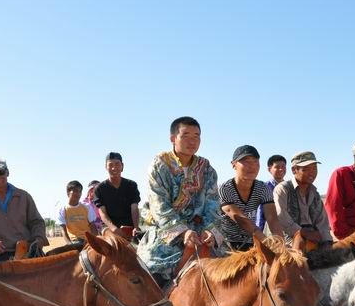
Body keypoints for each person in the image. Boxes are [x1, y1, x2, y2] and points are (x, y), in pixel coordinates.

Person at [137, 116, 221, 287]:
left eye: (196, 136)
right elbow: (159, 205)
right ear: (173, 138)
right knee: (151, 273)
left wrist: (210, 230)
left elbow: (212, 204)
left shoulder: (207, 169)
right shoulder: (159, 164)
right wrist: (183, 232)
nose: (192, 141)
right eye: (186, 135)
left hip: (200, 230)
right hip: (166, 230)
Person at [0, 159, 48, 261]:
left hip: (27, 251)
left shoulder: (23, 196)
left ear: (7, 172)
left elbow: (37, 222)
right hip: (0, 255)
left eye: (1, 172)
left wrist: (38, 239)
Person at [217, 145, 284, 251]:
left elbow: (272, 219)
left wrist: (281, 244)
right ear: (233, 165)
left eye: (255, 161)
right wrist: (266, 242)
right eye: (246, 161)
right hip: (226, 242)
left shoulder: (263, 188)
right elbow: (240, 218)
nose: (252, 166)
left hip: (252, 242)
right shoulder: (225, 189)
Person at [273, 151, 333, 247]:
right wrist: (305, 233)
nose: (312, 172)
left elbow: (323, 223)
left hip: (311, 240)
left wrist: (327, 241)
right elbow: (282, 218)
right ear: (294, 170)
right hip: (285, 241)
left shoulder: (315, 195)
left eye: (314, 168)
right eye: (306, 169)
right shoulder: (283, 189)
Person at [93, 152, 141, 239]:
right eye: (110, 165)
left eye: (117, 164)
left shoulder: (131, 185)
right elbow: (102, 213)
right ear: (106, 167)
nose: (114, 168)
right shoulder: (99, 189)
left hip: (130, 228)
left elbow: (134, 208)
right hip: (109, 228)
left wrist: (136, 227)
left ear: (122, 166)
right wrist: (114, 229)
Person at [57, 180, 97, 245]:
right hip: (74, 241)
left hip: (88, 240)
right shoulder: (62, 209)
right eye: (75, 191)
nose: (78, 194)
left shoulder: (87, 207)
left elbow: (93, 226)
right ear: (68, 192)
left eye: (80, 191)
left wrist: (96, 241)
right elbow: (63, 230)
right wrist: (70, 244)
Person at [256, 154, 287, 232]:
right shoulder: (264, 187)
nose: (281, 169)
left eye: (283, 166)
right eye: (277, 167)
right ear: (269, 169)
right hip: (270, 229)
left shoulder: (289, 187)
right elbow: (260, 213)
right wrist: (259, 233)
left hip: (288, 229)